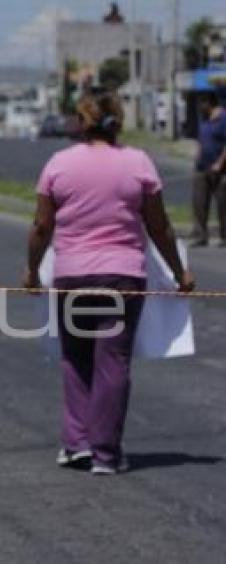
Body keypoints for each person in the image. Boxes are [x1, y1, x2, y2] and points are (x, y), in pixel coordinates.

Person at [24, 89, 195, 475]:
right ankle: (105, 454)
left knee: (76, 358)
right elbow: (159, 227)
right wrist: (178, 272)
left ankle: (77, 443)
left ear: (82, 122)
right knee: (113, 362)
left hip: (72, 278)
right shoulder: (138, 163)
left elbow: (41, 226)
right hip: (122, 278)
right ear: (117, 120)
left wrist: (32, 271)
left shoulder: (59, 164)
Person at [190, 92, 226, 247]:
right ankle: (200, 236)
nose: (199, 107)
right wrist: (197, 156)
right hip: (202, 168)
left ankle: (224, 236)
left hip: (220, 169)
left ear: (209, 103)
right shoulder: (203, 119)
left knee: (223, 204)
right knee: (199, 202)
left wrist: (220, 163)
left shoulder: (223, 119)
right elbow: (201, 140)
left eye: (201, 103)